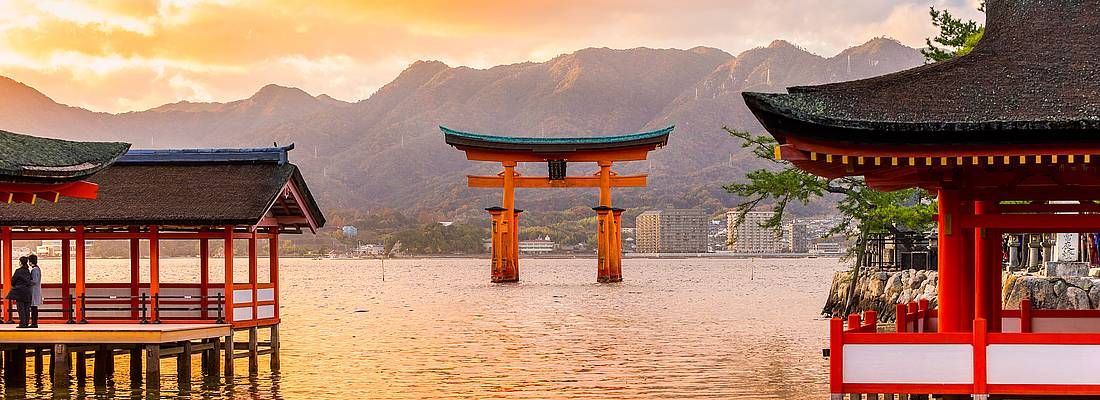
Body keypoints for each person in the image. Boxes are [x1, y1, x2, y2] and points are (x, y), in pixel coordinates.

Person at [5, 257, 33, 328]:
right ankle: (26, 323)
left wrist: (17, 285)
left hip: (19, 292)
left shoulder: (18, 271)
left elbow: (13, 281)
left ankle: (22, 323)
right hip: (27, 291)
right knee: (27, 308)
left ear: (20, 262)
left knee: (20, 308)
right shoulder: (28, 271)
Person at [29, 254, 41, 328]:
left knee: (33, 308)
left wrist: (27, 281)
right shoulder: (38, 268)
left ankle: (34, 323)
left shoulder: (34, 270)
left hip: (34, 290)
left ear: (30, 262)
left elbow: (34, 281)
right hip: (37, 290)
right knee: (34, 308)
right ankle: (34, 322)